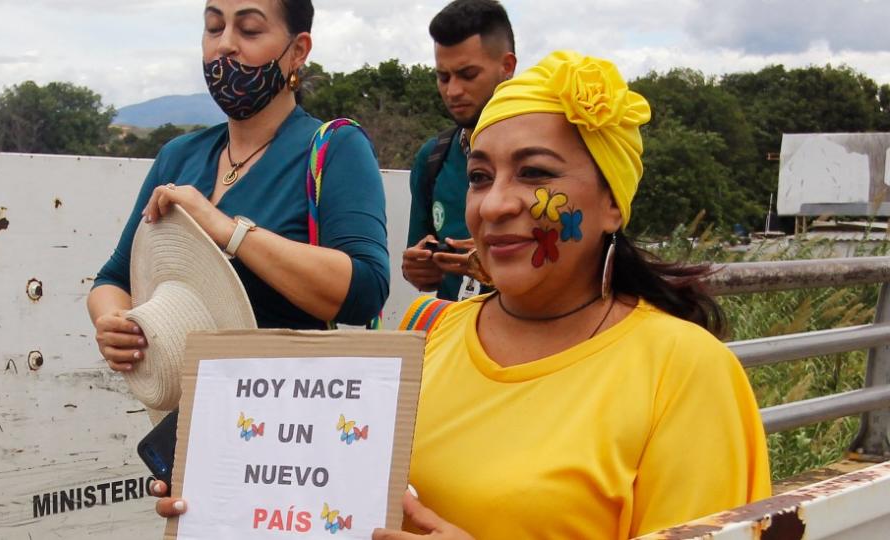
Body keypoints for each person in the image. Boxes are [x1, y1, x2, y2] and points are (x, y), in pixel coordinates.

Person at [149, 50, 771, 538]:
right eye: (480, 176)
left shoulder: (684, 373)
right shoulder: (425, 335)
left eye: (534, 173)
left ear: (612, 204)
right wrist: (232, 498)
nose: (495, 204)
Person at [88, 0, 389, 374]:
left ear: (298, 51)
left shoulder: (335, 149)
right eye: (214, 27)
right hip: (191, 407)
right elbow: (115, 278)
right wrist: (113, 322)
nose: (225, 45)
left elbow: (366, 290)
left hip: (290, 410)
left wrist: (230, 232)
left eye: (248, 30)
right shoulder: (179, 156)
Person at [401, 0, 516, 301]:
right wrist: (417, 269)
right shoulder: (433, 159)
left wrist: (497, 261)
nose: (453, 91)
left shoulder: (548, 155)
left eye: (467, 75)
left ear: (507, 67)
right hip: (457, 339)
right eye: (443, 77)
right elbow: (424, 276)